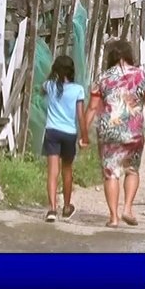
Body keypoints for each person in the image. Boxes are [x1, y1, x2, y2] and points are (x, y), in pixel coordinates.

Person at [83, 39, 145, 228]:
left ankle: (113, 218)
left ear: (111, 56)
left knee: (111, 173)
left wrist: (83, 133)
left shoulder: (102, 78)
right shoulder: (142, 76)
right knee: (132, 170)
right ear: (129, 55)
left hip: (108, 132)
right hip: (133, 132)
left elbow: (92, 108)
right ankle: (127, 208)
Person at [42, 56, 86, 222]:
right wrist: (85, 136)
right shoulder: (78, 90)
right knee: (67, 170)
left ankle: (52, 209)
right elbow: (80, 116)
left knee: (52, 172)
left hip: (52, 131)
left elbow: (42, 87)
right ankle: (67, 207)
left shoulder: (50, 86)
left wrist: (52, 77)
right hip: (69, 133)